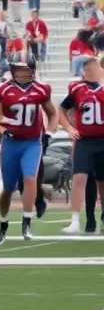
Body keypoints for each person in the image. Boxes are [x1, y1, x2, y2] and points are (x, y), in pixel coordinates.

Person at [0, 52, 55, 244]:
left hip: (32, 143)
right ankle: (4, 223)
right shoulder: (2, 90)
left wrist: (49, 132)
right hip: (11, 143)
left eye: (26, 70)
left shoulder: (41, 89)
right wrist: (2, 129)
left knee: (30, 178)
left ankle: (27, 221)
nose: (23, 74)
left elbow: (53, 114)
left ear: (32, 71)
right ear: (12, 70)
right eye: (19, 70)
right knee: (7, 189)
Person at [59, 57, 104, 235]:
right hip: (84, 141)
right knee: (79, 179)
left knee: (102, 182)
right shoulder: (77, 89)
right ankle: (76, 221)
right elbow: (62, 110)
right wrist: (69, 128)